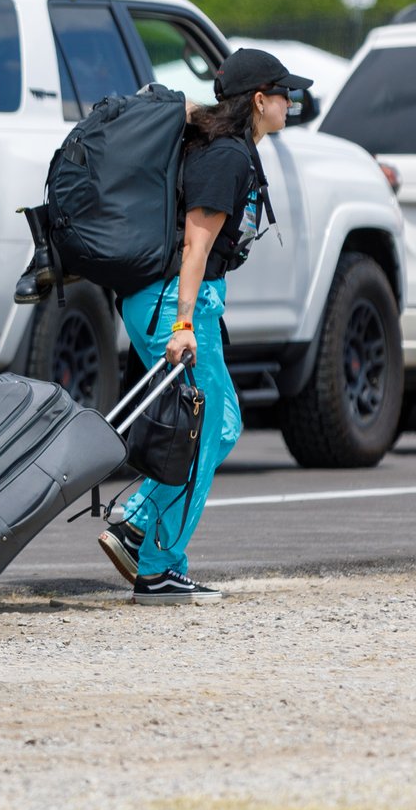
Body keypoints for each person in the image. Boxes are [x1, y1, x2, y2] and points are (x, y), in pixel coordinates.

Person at [97, 47, 305, 603]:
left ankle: (137, 523)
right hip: (173, 304)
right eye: (285, 92)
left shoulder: (227, 146)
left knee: (225, 422)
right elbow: (196, 243)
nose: (293, 101)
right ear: (260, 101)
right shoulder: (227, 157)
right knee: (202, 427)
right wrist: (184, 323)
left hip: (177, 300)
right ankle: (159, 568)